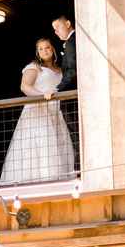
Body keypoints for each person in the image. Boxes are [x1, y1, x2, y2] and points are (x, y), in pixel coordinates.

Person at [0, 38, 76, 184]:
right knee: (40, 142)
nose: (45, 51)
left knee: (58, 143)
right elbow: (25, 86)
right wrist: (42, 97)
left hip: (56, 110)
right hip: (39, 107)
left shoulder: (59, 69)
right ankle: (41, 179)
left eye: (47, 47)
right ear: (37, 52)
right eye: (41, 49)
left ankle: (59, 178)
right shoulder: (34, 66)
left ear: (53, 49)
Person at [47, 15, 79, 168]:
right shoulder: (71, 43)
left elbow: (73, 71)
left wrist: (58, 89)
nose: (56, 32)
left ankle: (80, 171)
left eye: (58, 27)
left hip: (72, 100)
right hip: (71, 99)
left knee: (77, 136)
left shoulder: (72, 43)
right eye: (54, 30)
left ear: (68, 23)